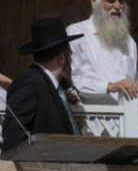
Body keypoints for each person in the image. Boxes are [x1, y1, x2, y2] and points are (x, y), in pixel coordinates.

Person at [67, 0, 138, 135]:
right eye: (111, 0)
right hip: (90, 127)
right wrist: (109, 86)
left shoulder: (129, 42)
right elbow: (70, 82)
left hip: (125, 127)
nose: (117, 6)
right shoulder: (76, 33)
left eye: (121, 1)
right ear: (93, 1)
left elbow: (129, 84)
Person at [3, 17, 83, 151]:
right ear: (61, 58)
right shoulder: (29, 82)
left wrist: (71, 112)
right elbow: (13, 138)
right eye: (70, 55)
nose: (71, 60)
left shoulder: (54, 89)